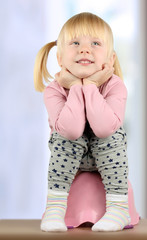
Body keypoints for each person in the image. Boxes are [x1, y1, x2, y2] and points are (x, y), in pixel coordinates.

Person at [34, 12, 130, 232]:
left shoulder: (115, 86)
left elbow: (105, 128)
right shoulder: (53, 90)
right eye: (75, 43)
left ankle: (119, 208)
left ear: (110, 60)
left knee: (111, 132)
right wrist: (76, 87)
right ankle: (55, 208)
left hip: (107, 160)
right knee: (64, 134)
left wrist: (91, 86)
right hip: (70, 162)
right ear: (60, 58)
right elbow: (71, 130)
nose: (84, 49)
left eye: (95, 43)